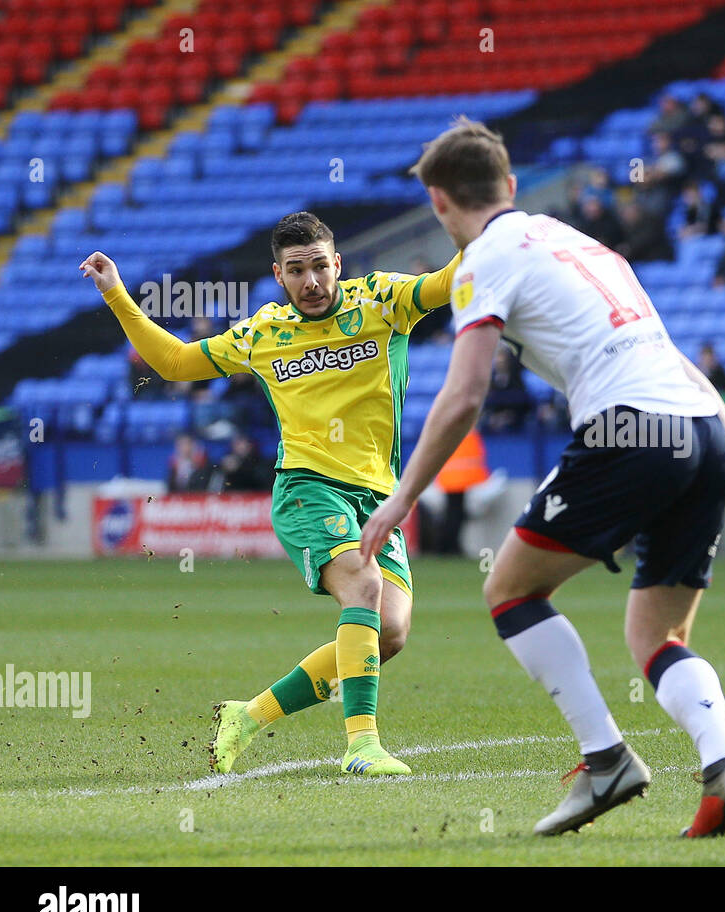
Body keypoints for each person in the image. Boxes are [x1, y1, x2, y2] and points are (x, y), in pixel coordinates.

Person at [360, 119, 725, 838]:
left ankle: (606, 760)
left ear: (436, 202)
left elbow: (463, 395)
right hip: (703, 429)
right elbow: (661, 344)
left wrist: (401, 498)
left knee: (510, 588)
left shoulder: (483, 260)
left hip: (630, 429)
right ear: (511, 187)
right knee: (658, 633)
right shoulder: (580, 241)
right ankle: (722, 768)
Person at [81, 212, 461, 777]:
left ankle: (247, 715)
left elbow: (452, 280)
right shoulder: (264, 333)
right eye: (296, 271)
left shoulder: (383, 301)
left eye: (318, 268)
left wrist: (479, 225)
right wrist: (116, 293)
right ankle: (362, 746)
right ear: (278, 275)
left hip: (378, 498)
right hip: (308, 488)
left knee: (391, 633)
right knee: (363, 584)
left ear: (337, 264)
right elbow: (174, 362)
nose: (310, 283)